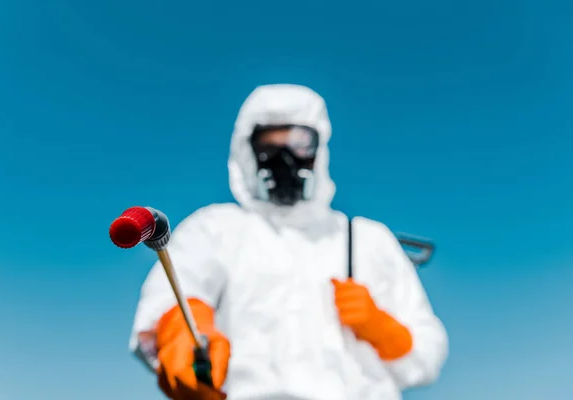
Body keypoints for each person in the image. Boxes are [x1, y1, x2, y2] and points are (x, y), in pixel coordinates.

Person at [129, 84, 449, 400]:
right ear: (248, 153)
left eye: (299, 143)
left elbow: (429, 353)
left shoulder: (367, 239)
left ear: (318, 150)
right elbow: (172, 295)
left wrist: (385, 331)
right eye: (269, 146)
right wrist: (179, 331)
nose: (285, 159)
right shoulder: (216, 229)